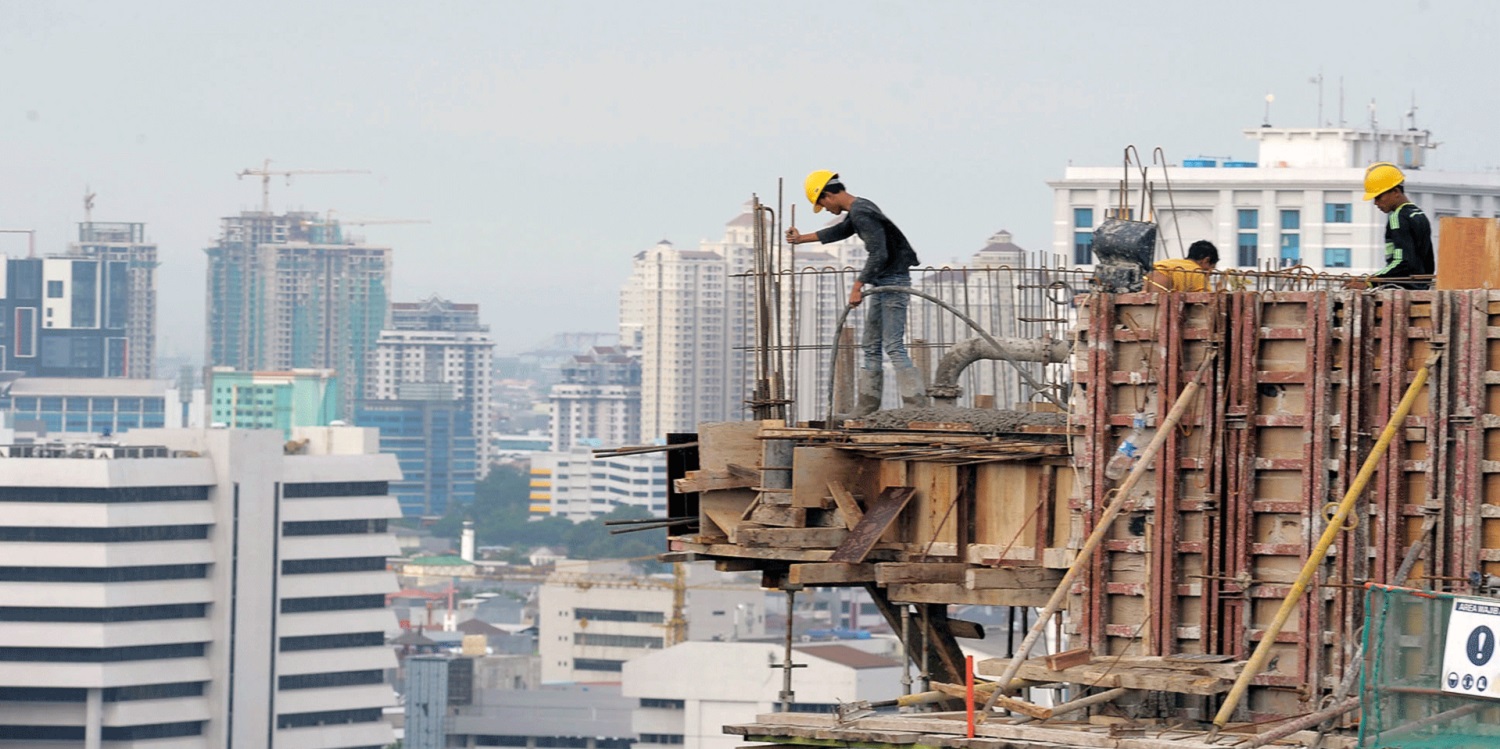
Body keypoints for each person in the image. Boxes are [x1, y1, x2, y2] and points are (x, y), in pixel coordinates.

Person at [785, 170, 925, 415]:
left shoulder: (862, 212)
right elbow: (840, 231)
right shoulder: (859, 208)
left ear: (828, 195)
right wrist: (801, 239)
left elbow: (879, 253)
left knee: (893, 345)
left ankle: (917, 407)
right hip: (882, 281)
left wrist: (857, 286)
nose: (826, 209)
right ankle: (867, 408)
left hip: (893, 280)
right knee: (871, 344)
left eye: (822, 205)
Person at [1359, 162, 1434, 289]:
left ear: (1396, 191)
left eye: (1378, 197)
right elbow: (1428, 262)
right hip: (1421, 288)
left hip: (1402, 288)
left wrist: (1369, 282)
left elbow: (1401, 262)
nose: (1376, 203)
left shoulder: (1397, 218)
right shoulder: (1419, 215)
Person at [1145, 240, 1219, 292]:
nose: (1211, 273)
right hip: (1161, 299)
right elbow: (1207, 301)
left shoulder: (1168, 262)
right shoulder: (1198, 274)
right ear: (1206, 260)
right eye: (1212, 267)